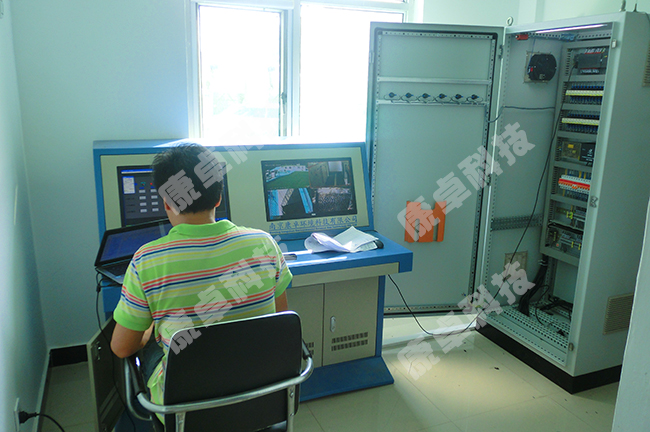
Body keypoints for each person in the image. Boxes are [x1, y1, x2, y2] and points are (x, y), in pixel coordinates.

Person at [110, 143, 292, 408]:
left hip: (186, 410)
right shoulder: (264, 244)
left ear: (166, 203)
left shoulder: (146, 261)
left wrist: (149, 329)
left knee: (154, 345)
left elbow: (122, 348)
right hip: (262, 396)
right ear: (218, 198)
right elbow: (280, 317)